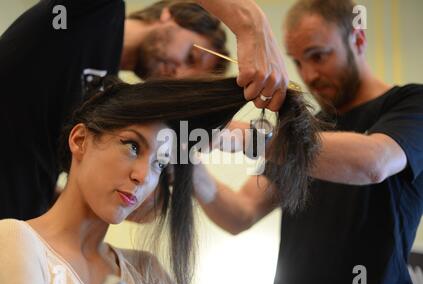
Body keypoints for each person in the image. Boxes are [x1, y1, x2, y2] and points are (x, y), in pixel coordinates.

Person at [0, 76, 315, 284]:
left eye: (160, 163)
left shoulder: (145, 273)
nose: (143, 177)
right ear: (80, 140)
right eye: (133, 147)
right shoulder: (16, 240)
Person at [194, 0, 423, 284]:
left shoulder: (410, 104)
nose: (308, 74)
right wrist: (189, 169)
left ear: (358, 39)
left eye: (318, 55)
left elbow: (374, 162)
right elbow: (241, 213)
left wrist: (243, 136)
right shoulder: (307, 130)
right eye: (298, 61)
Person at [0, 0, 288, 221]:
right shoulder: (92, 14)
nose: (179, 72)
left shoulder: (104, 99)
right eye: (191, 55)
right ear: (171, 13)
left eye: (188, 77)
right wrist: (251, 24)